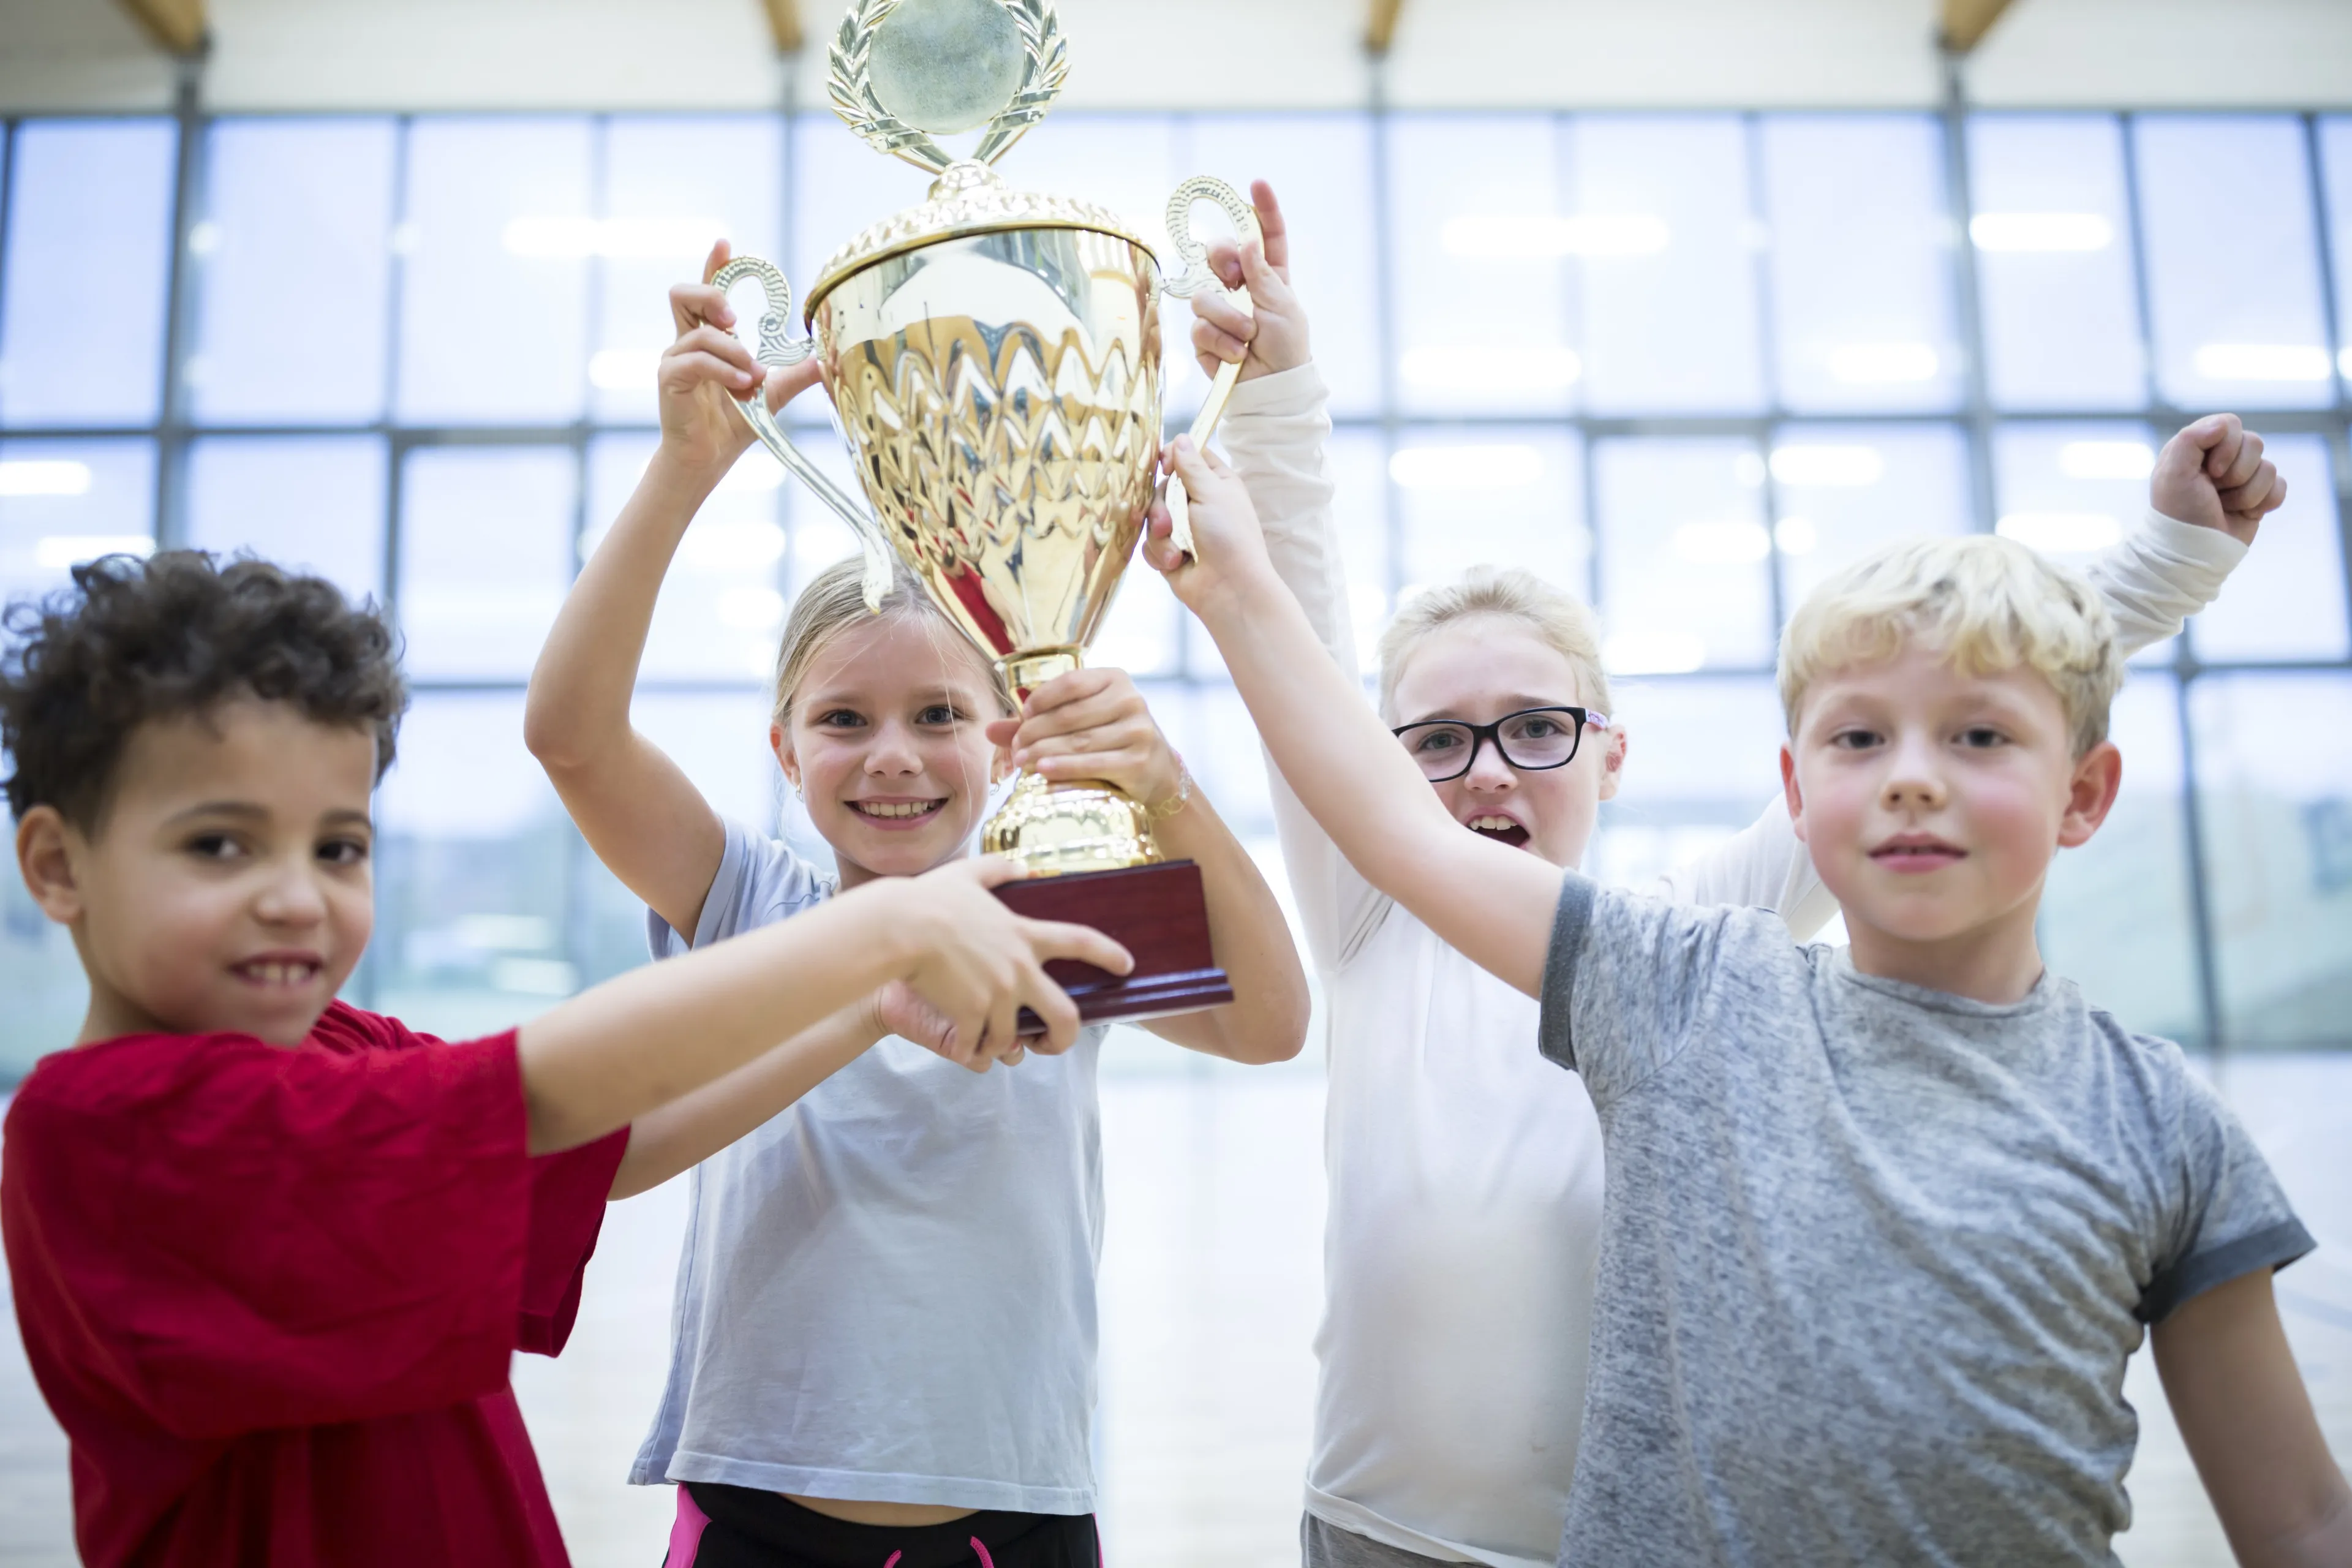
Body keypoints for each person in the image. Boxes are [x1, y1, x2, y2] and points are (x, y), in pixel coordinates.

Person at [1180, 182, 2294, 1568]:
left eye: (1535, 728)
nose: (1486, 771)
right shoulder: (1373, 911)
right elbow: (1300, 641)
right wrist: (1277, 404)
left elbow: (1972, 691)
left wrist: (2168, 563)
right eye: (1439, 740)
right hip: (1374, 1531)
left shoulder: (1691, 945)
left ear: (1613, 755)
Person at [0, 552, 1128, 1568]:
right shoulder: (108, 1129)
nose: (295, 897)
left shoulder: (333, 1045)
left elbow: (608, 1141)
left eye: (337, 847)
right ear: (56, 866)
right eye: (218, 845)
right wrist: (884, 935)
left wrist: (866, 1011)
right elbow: (535, 1088)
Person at [519, 244, 1311, 1568]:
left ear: (1004, 735)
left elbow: (1272, 1024)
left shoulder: (1046, 901)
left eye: (939, 714)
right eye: (845, 719)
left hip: (1020, 1507)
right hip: (756, 1506)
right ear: (784, 750)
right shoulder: (749, 896)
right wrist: (681, 475)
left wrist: (1166, 786)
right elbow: (571, 737)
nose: (892, 755)